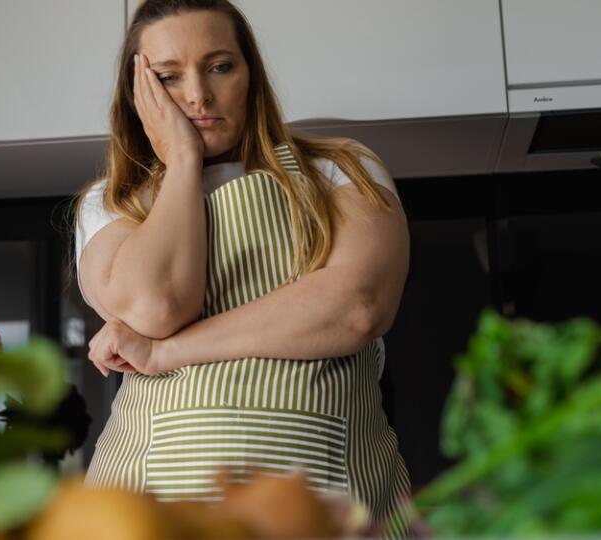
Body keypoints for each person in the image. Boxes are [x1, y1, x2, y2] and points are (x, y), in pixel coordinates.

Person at [72, 0, 411, 536]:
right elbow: (156, 305)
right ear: (140, 94)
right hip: (149, 509)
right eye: (168, 77)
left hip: (328, 501)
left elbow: (356, 309)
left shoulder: (340, 169)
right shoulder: (113, 202)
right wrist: (181, 160)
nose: (198, 95)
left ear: (251, 74)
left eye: (220, 66)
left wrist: (166, 352)